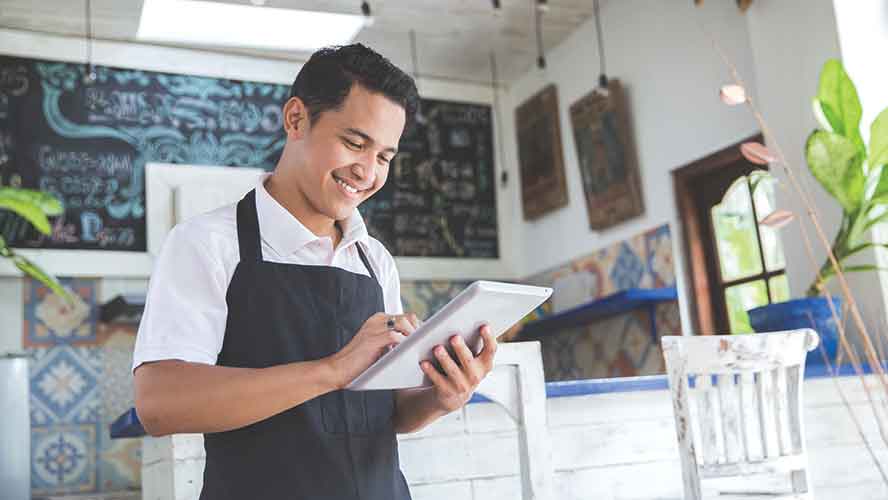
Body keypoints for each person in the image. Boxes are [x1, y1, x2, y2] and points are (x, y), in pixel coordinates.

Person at [132, 44, 497, 500]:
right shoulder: (206, 243)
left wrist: (443, 397)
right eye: (354, 143)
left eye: (384, 157)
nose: (367, 172)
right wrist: (332, 370)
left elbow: (387, 412)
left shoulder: (375, 260)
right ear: (296, 119)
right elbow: (159, 404)